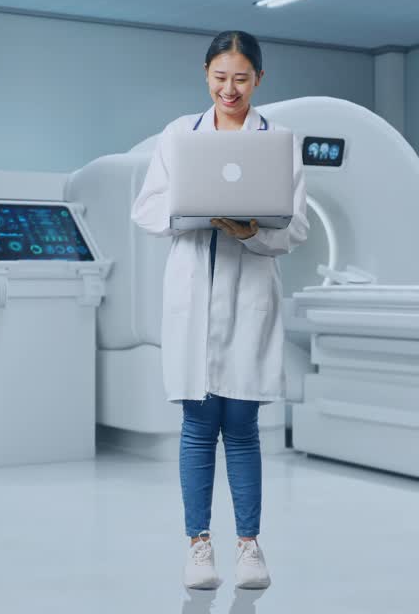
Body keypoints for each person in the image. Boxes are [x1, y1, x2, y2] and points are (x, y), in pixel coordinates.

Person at [130, 31, 308, 590]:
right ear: (205, 73)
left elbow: (295, 226)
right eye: (219, 77)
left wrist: (251, 230)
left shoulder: (278, 140)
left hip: (250, 291)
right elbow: (150, 208)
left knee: (244, 427)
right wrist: (200, 214)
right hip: (193, 292)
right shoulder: (179, 135)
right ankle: (198, 545)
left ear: (259, 79)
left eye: (241, 78)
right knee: (197, 425)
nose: (229, 89)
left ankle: (250, 546)